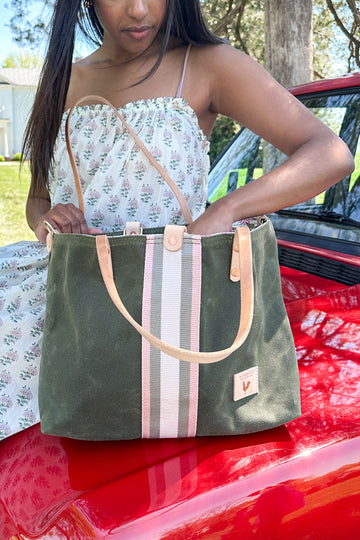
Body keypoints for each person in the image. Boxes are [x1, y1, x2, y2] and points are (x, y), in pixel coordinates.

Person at [0, 0, 354, 441]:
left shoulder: (206, 65)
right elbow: (38, 195)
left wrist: (224, 209)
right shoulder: (62, 80)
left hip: (175, 301)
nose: (138, 9)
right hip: (72, 300)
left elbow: (330, 154)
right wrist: (46, 220)